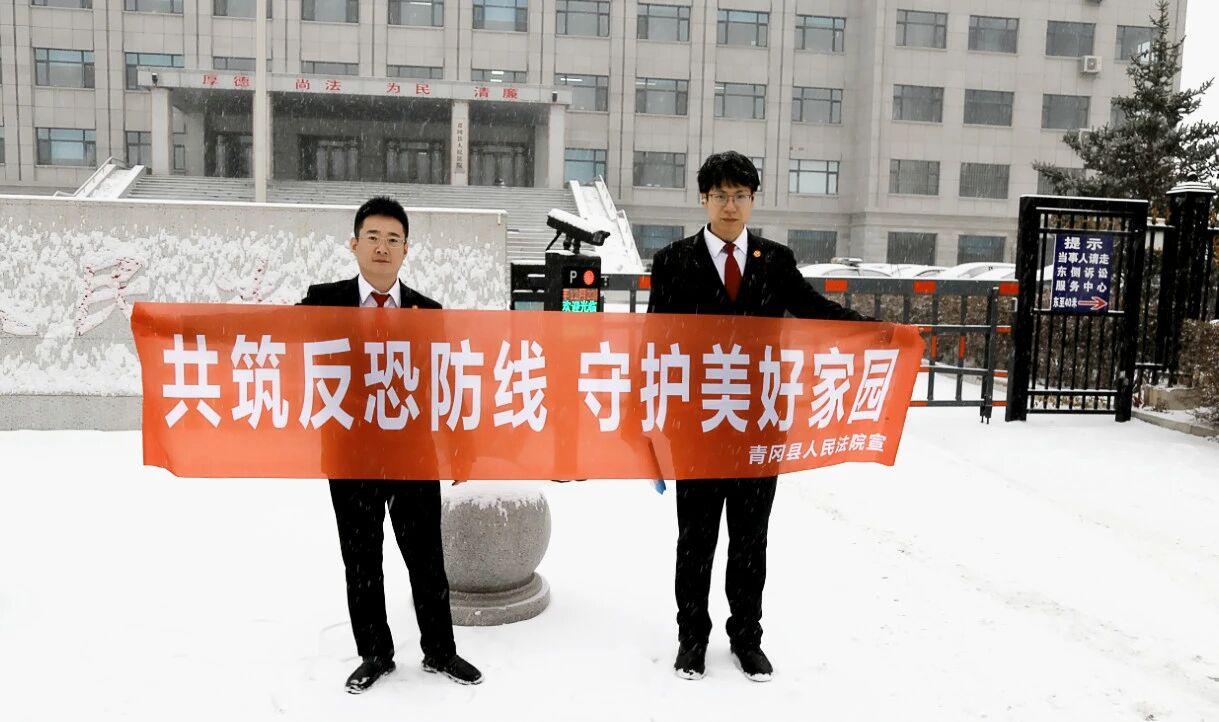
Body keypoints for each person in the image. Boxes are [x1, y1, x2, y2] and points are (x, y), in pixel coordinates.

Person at [646, 151, 872, 683]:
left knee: (751, 540)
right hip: (698, 426)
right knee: (695, 541)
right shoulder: (673, 261)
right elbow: (654, 343)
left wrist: (871, 329)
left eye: (740, 195)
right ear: (703, 199)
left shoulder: (775, 260)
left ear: (752, 200)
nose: (730, 205)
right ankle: (692, 638)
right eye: (720, 195)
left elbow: (815, 309)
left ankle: (746, 637)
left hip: (758, 425)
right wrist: (652, 425)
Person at [298, 196, 483, 693]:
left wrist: (460, 447)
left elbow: (446, 382)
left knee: (427, 560)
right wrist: (182, 330)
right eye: (373, 237)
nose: (382, 247)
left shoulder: (427, 311)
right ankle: (375, 654)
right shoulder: (325, 301)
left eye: (393, 239)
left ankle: (440, 651)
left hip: (412, 458)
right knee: (362, 562)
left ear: (406, 250)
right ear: (354, 244)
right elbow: (265, 335)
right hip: (350, 457)